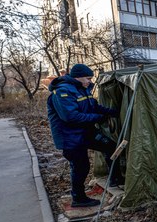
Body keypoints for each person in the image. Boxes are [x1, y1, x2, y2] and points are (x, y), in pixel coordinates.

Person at [47, 64, 121, 207]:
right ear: (78, 77)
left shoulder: (82, 89)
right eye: (88, 78)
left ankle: (114, 178)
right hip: (70, 137)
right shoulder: (62, 92)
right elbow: (71, 117)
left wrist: (112, 112)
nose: (90, 81)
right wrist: (98, 118)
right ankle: (78, 199)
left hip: (85, 133)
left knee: (110, 146)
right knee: (81, 166)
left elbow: (93, 106)